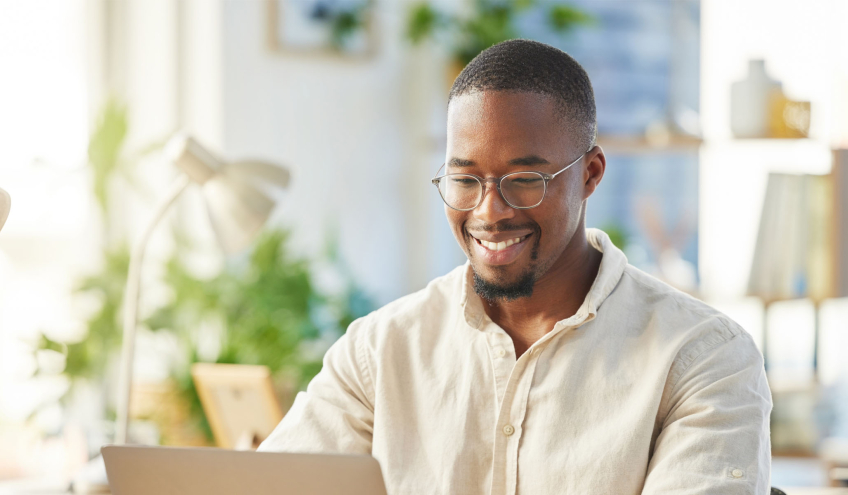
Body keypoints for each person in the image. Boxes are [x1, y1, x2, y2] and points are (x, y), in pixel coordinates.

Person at [259, 39, 772, 494]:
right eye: (465, 180)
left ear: (590, 174)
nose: (489, 212)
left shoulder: (703, 360)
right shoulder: (379, 352)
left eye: (525, 178)